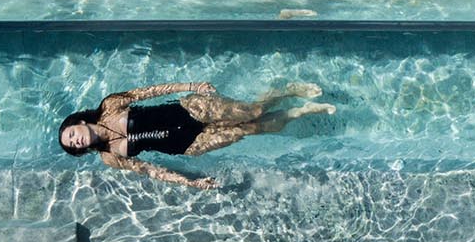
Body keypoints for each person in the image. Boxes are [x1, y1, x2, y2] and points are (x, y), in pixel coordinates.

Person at [57, 80, 333, 189]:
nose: (76, 140)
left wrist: (190, 85)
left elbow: (150, 92)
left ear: (78, 121)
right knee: (251, 129)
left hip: (190, 109)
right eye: (73, 145)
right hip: (188, 144)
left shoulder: (109, 106)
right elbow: (151, 170)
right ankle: (299, 112)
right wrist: (191, 182)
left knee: (252, 111)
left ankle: (286, 91)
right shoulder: (110, 157)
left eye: (71, 134)